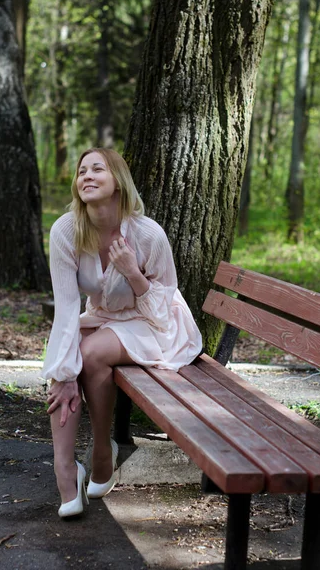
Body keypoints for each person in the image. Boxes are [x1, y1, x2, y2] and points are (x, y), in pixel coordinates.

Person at [42, 148, 202, 518]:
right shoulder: (66, 231)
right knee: (64, 359)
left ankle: (101, 451)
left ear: (118, 182)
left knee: (92, 352)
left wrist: (132, 272)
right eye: (82, 171)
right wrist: (64, 376)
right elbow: (67, 309)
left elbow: (165, 308)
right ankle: (66, 469)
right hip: (106, 318)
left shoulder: (148, 235)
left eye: (97, 168)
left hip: (158, 325)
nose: (87, 175)